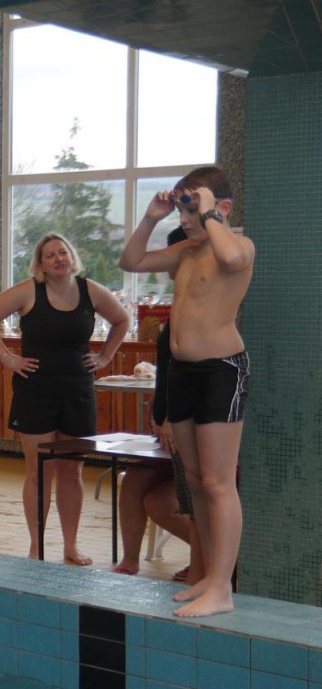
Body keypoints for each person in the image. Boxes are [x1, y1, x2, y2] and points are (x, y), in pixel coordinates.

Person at [119, 166, 253, 618]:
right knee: (195, 482)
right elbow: (131, 262)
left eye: (191, 208)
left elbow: (230, 259)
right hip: (181, 374)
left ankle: (222, 587)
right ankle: (207, 577)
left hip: (221, 372)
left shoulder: (239, 247)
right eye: (182, 208)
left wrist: (210, 213)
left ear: (221, 208)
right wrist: (151, 217)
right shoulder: (185, 252)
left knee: (217, 482)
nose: (185, 217)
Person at [0, 233, 130, 565]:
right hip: (35, 391)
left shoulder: (91, 290)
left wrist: (105, 357)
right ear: (41, 264)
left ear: (72, 257)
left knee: (72, 471)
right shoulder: (29, 290)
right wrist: (8, 358)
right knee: (39, 471)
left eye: (63, 252)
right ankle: (37, 546)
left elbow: (122, 320)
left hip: (77, 391)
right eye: (50, 255)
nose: (59, 258)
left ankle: (71, 546)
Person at [112, 228, 203, 581]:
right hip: (170, 422)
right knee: (135, 481)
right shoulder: (178, 305)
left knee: (164, 500)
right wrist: (159, 413)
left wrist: (172, 419)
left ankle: (214, 560)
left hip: (189, 424)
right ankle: (130, 560)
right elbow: (167, 372)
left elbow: (192, 374)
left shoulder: (202, 306)